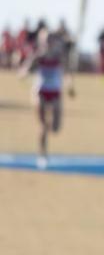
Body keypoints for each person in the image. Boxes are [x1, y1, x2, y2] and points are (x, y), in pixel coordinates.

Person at [18, 28, 68, 169]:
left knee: (56, 127)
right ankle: (42, 155)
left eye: (50, 39)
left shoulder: (59, 56)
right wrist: (24, 73)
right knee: (43, 126)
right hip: (40, 91)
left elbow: (67, 72)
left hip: (55, 91)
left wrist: (70, 85)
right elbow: (23, 70)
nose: (48, 42)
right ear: (41, 41)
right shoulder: (38, 56)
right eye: (45, 39)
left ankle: (49, 134)